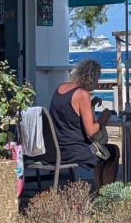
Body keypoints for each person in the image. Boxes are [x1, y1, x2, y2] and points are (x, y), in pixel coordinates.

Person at [49, 58, 120, 190]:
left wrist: (90, 104)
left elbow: (68, 111)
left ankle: (101, 191)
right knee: (112, 151)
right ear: (92, 78)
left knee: (102, 150)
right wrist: (103, 119)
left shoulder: (60, 88)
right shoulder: (82, 94)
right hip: (74, 150)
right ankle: (106, 194)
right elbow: (91, 132)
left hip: (55, 148)